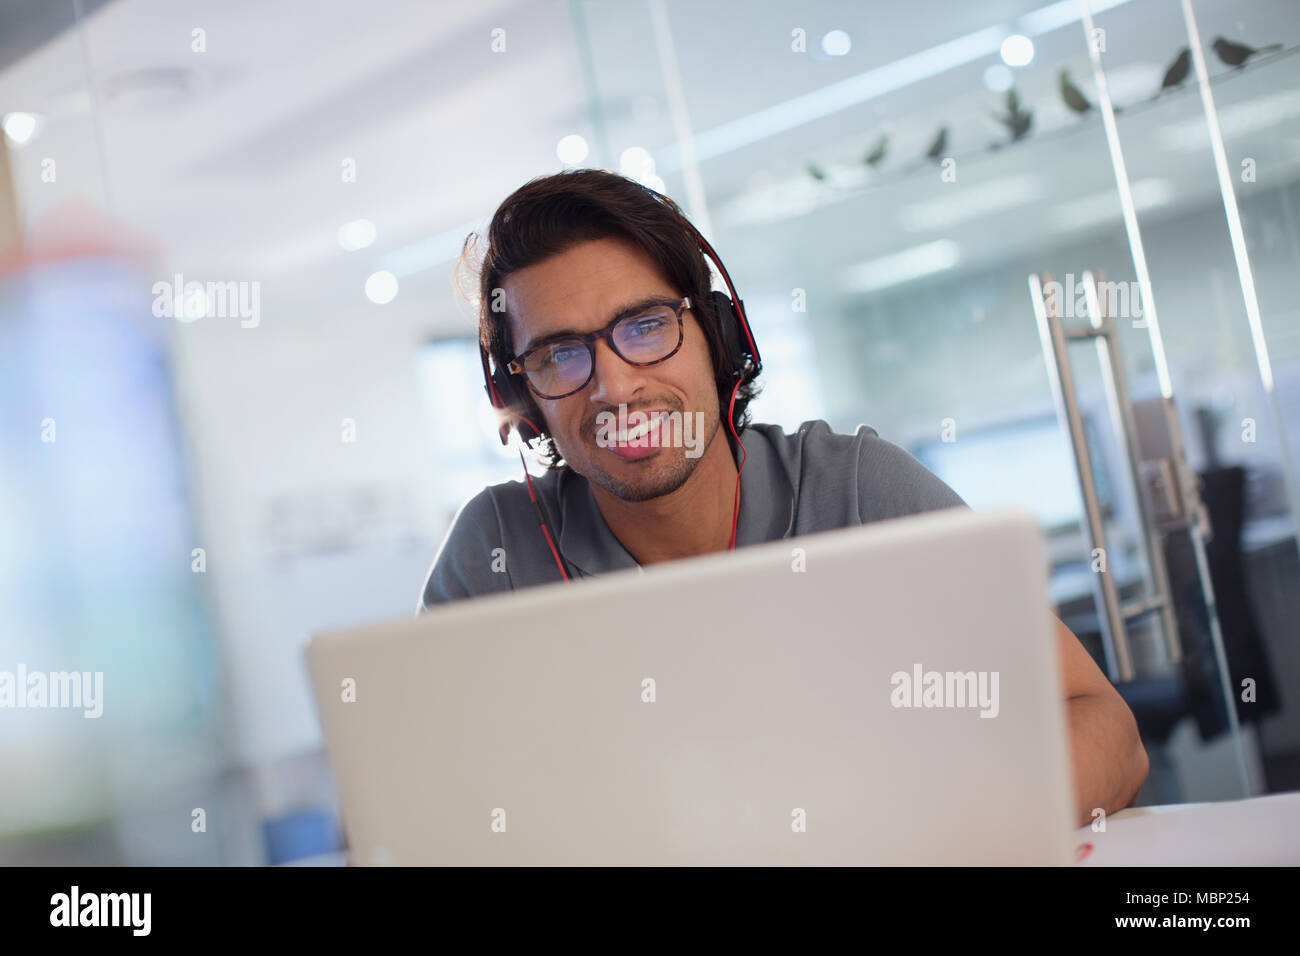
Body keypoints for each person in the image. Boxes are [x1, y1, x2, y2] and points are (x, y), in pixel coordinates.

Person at [418, 168, 1147, 826]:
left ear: (717, 334)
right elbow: (423, 814)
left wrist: (917, 834)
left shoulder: (859, 491)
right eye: (558, 356)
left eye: (645, 327)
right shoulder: (497, 556)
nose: (615, 386)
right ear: (520, 397)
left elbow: (1104, 730)